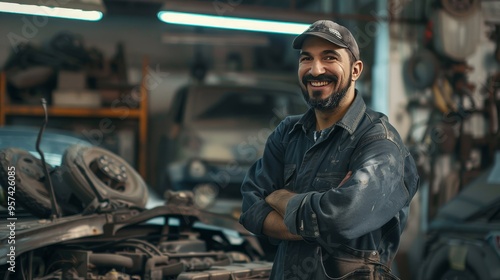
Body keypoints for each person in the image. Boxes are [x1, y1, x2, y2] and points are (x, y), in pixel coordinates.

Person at [239, 19, 419, 280]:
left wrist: (278, 199)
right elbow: (250, 207)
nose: (315, 70)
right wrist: (316, 215)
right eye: (306, 59)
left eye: (330, 57)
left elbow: (341, 219)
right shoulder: (288, 134)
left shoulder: (380, 143)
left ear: (356, 70)